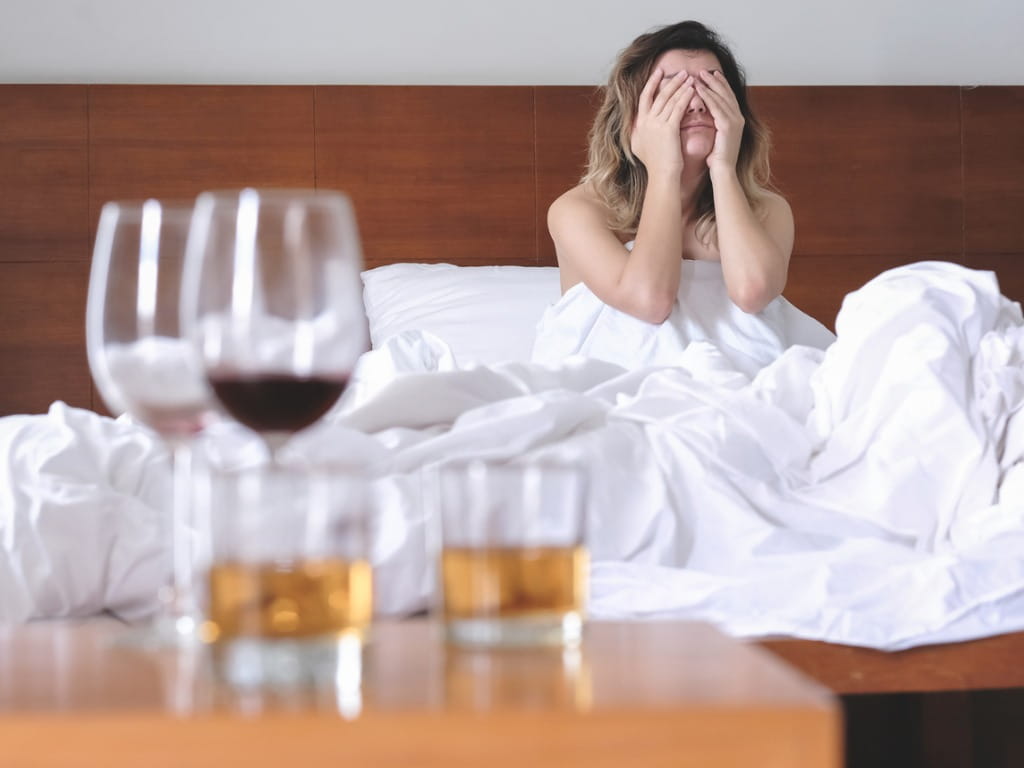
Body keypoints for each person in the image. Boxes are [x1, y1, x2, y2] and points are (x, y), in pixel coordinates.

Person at [548, 20, 791, 323]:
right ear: (632, 116)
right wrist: (664, 171)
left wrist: (724, 169)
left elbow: (753, 293)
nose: (697, 105)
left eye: (711, 87)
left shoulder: (768, 210)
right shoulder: (577, 210)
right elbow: (649, 303)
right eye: (674, 90)